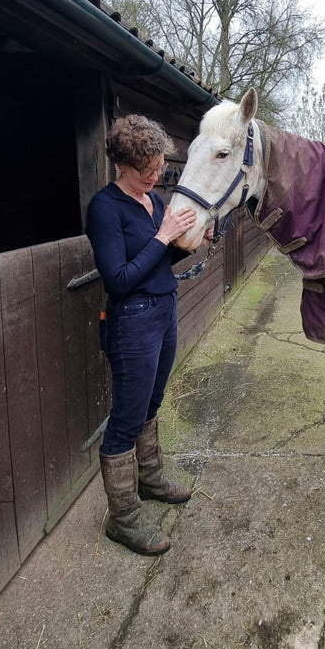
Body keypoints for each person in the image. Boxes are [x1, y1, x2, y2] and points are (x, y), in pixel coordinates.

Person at [87, 114, 206, 556]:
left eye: (159, 166)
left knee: (152, 404)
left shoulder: (154, 200)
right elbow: (119, 279)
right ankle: (123, 519)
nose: (156, 176)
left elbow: (158, 263)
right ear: (123, 165)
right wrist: (163, 236)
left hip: (163, 309)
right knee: (126, 418)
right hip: (132, 320)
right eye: (146, 170)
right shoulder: (105, 208)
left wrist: (188, 243)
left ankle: (151, 479)